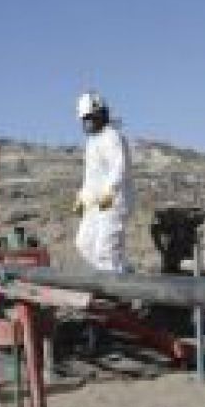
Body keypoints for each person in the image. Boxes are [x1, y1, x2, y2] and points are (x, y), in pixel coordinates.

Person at [71, 89, 132, 272]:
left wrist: (109, 192)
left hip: (113, 202)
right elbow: (91, 176)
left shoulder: (111, 136)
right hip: (95, 203)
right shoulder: (92, 142)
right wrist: (81, 198)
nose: (86, 123)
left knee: (105, 250)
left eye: (89, 118)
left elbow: (118, 167)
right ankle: (121, 274)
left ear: (100, 115)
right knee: (83, 243)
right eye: (84, 120)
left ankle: (117, 288)